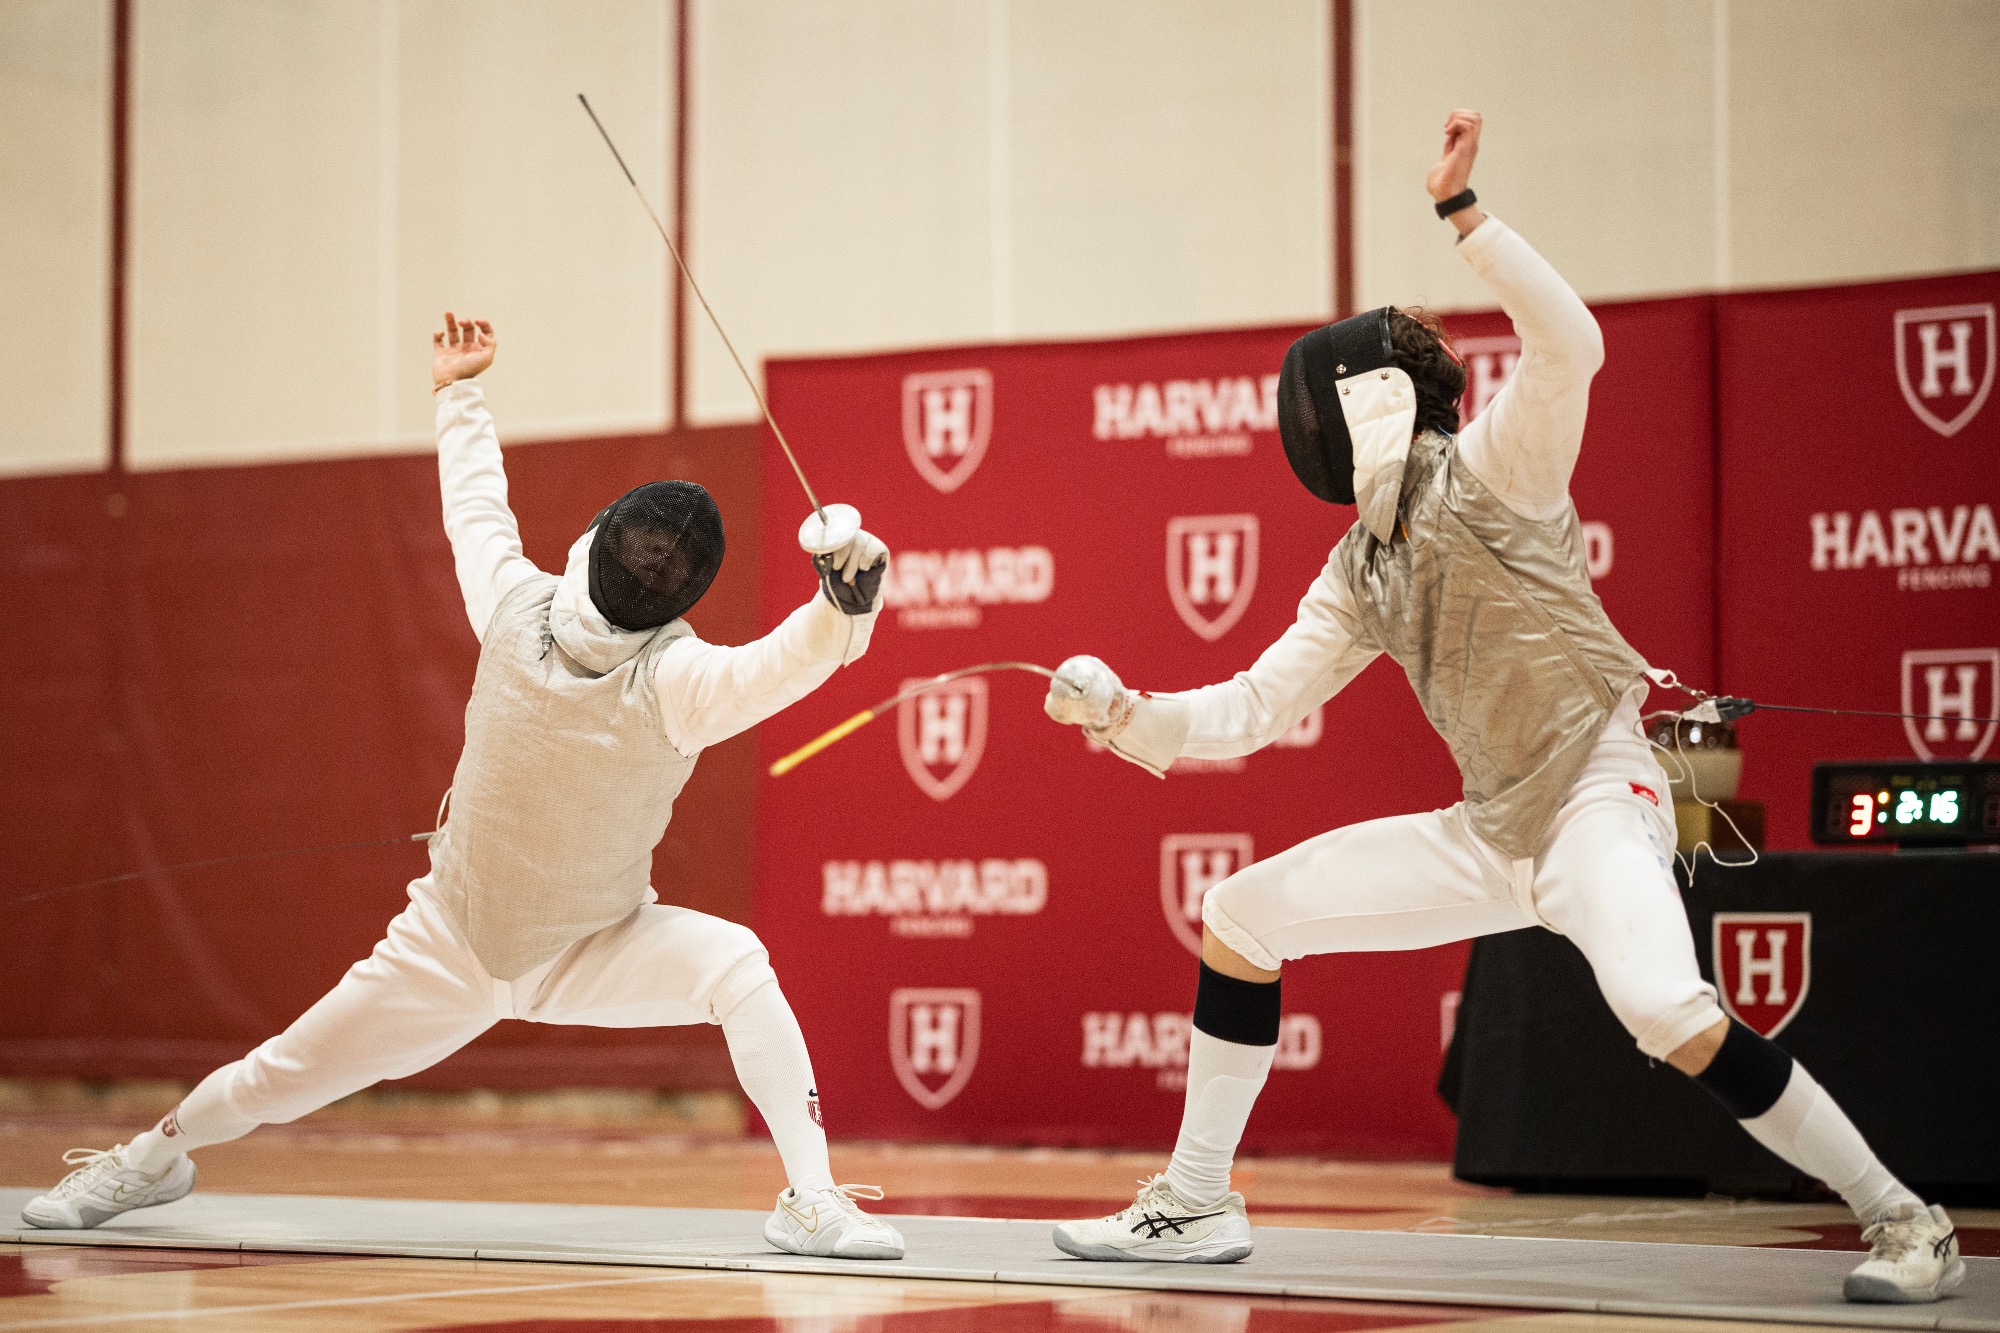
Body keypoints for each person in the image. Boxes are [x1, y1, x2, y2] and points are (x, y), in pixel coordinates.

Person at [1040, 112, 1960, 1305]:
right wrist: (1118, 710)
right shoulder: (1356, 568)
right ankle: (1197, 1201)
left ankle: (1905, 1221)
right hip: (1490, 830)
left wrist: (1463, 220)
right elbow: (1246, 711)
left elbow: (1569, 345)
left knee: (1664, 1009)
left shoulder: (1496, 467)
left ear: (1367, 400)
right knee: (1240, 915)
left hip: (1592, 795)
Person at [23, 313, 905, 1261]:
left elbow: (483, 511)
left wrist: (460, 391)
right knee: (281, 1073)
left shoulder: (620, 656)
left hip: (590, 942)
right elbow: (780, 661)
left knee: (736, 965)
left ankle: (811, 1198)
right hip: (450, 939)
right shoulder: (563, 628)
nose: (652, 562)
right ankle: (153, 1157)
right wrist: (839, 606)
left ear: (598, 540)